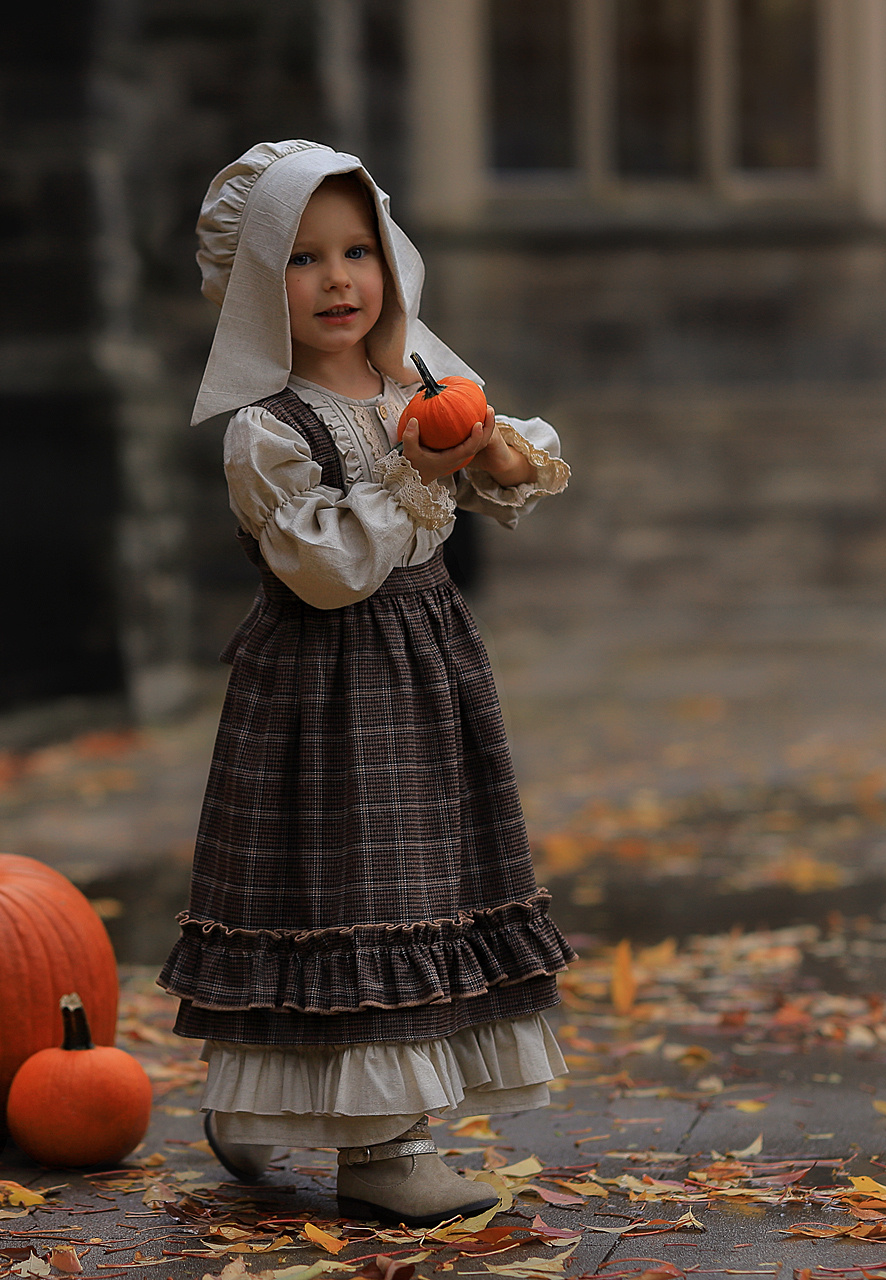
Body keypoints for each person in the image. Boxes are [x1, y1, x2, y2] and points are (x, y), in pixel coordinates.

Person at [157, 139, 574, 1228]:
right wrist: (412, 477)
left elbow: (482, 453)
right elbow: (324, 564)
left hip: (428, 671)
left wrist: (501, 455)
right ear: (255, 284)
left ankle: (275, 1105)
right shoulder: (269, 426)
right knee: (345, 891)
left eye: (356, 251)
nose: (338, 279)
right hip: (326, 690)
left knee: (428, 878)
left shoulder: (411, 381)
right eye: (302, 259)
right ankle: (377, 1144)